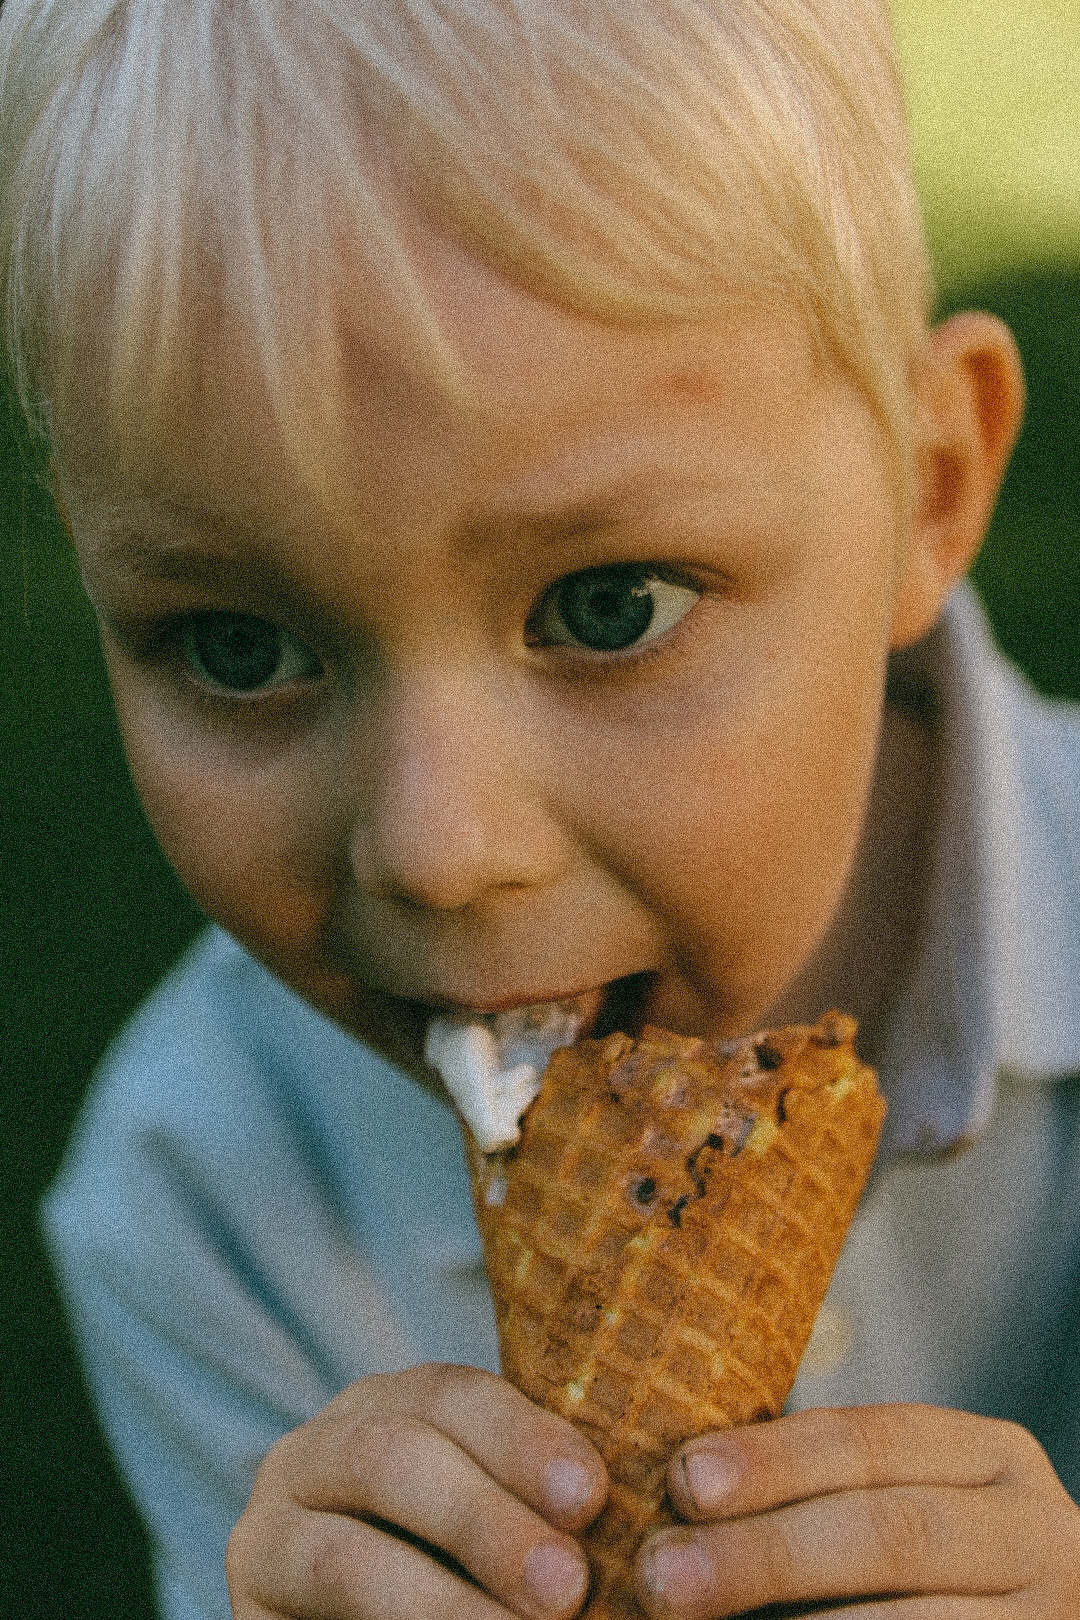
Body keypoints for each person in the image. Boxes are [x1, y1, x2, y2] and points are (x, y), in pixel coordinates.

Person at [4, 0, 1080, 1614]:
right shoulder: (201, 1198)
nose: (440, 848)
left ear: (929, 485)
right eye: (241, 646)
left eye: (609, 607)